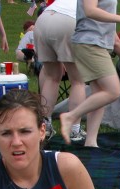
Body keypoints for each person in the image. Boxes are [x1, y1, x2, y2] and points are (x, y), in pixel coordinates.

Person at [59, 0, 120, 147]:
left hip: (97, 43)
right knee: (113, 91)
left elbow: (106, 23)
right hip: (90, 43)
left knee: (99, 93)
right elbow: (90, 10)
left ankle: (91, 142)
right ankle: (70, 116)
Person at [35, 0, 88, 142]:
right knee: (78, 81)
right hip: (68, 20)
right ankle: (74, 130)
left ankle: (44, 126)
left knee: (51, 77)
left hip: (43, 20)